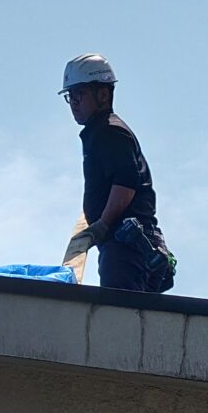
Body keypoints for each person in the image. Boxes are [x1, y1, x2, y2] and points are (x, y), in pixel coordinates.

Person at [60, 54, 174, 292]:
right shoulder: (100, 132)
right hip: (129, 244)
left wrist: (103, 224)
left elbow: (125, 183)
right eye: (70, 96)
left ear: (103, 94)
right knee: (129, 310)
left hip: (128, 245)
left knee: (120, 311)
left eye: (80, 94)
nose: (74, 103)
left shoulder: (110, 131)